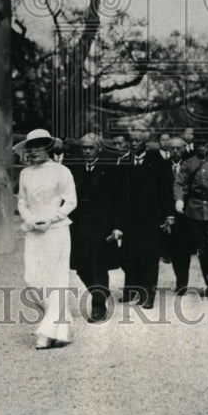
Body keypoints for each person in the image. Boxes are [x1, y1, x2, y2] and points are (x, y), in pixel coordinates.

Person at [16, 128, 77, 349]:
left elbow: (70, 201)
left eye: (39, 145)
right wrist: (30, 218)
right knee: (32, 279)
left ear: (49, 147)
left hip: (56, 230)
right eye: (31, 146)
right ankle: (63, 325)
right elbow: (22, 200)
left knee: (56, 280)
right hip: (33, 230)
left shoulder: (62, 172)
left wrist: (51, 218)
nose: (34, 151)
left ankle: (46, 332)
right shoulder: (25, 173)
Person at [109, 126, 175, 308]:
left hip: (153, 218)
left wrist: (169, 215)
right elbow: (119, 195)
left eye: (138, 141)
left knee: (151, 258)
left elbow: (166, 191)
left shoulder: (158, 161)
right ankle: (136, 289)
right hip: (131, 218)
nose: (134, 143)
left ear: (146, 143)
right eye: (132, 140)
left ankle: (149, 296)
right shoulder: (124, 162)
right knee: (129, 256)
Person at [68, 133, 117, 323]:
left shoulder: (109, 169)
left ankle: (98, 306)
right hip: (79, 223)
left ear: (99, 149)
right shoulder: (74, 169)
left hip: (102, 223)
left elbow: (118, 201)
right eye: (84, 148)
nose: (87, 151)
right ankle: (100, 293)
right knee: (81, 266)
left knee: (99, 264)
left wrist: (116, 227)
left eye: (91, 148)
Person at [176, 142, 208, 299]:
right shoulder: (189, 163)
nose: (203, 147)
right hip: (195, 211)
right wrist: (179, 199)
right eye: (200, 143)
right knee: (202, 248)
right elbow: (179, 183)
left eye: (207, 144)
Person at [169, 136, 197, 295]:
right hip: (170, 215)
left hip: (187, 214)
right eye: (172, 148)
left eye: (178, 148)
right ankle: (178, 278)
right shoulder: (163, 166)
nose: (175, 151)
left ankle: (182, 283)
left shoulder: (190, 165)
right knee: (173, 250)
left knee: (184, 250)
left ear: (184, 149)